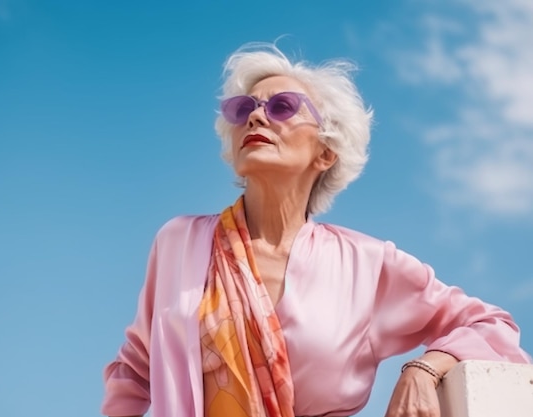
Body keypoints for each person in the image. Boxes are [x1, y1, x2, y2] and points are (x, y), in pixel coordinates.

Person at [100, 43, 531, 417]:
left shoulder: (365, 265)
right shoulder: (180, 243)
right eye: (243, 109)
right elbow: (136, 370)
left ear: (325, 152)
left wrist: (424, 368)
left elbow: (491, 325)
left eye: (281, 107)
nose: (256, 118)